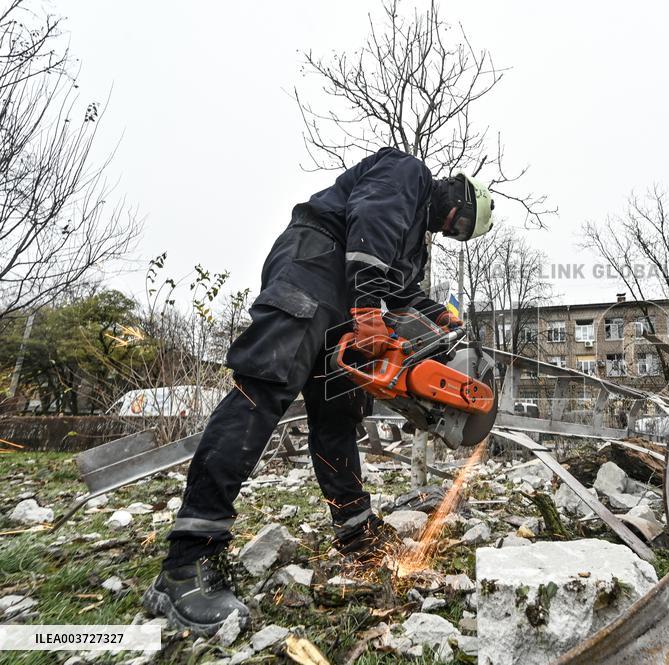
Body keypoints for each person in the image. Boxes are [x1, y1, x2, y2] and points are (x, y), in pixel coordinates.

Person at [142, 147, 495, 635]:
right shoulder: (408, 172)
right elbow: (373, 217)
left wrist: (441, 318)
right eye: (458, 222)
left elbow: (400, 288)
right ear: (458, 194)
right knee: (263, 388)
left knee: (338, 412)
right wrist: (370, 303)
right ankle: (187, 560)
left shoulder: (415, 244)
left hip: (348, 295)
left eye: (458, 234)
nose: (450, 231)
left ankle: (355, 530)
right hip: (314, 264)